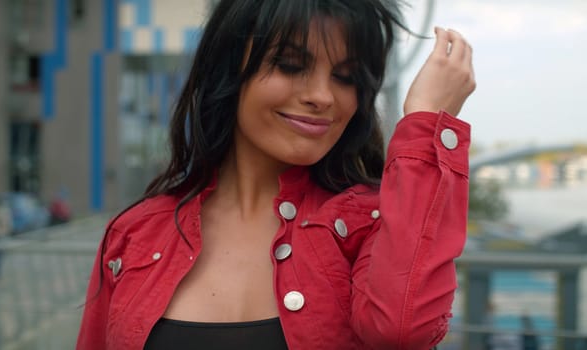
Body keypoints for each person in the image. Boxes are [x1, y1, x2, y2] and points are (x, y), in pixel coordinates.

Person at [77, 0, 475, 349]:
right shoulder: (133, 234)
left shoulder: (370, 225)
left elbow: (402, 332)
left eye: (346, 77)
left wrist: (426, 121)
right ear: (228, 72)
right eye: (290, 65)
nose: (322, 96)